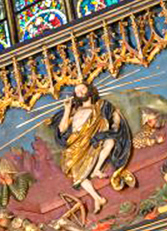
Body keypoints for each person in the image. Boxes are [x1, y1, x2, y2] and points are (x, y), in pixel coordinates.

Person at [49, 82, 132, 214]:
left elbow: (115, 114)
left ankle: (96, 169)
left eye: (82, 89)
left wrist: (115, 125)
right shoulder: (74, 111)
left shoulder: (100, 106)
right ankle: (97, 198)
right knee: (78, 176)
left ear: (89, 90)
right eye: (77, 91)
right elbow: (62, 129)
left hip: (92, 141)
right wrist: (67, 110)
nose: (80, 92)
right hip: (74, 146)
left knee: (110, 142)